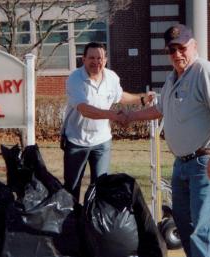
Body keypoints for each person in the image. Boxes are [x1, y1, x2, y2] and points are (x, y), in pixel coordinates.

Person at [122, 24, 210, 257]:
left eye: (182, 48)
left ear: (193, 46)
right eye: (172, 50)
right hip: (182, 163)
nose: (177, 54)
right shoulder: (173, 77)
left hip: (207, 162)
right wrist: (130, 117)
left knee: (204, 229)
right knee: (184, 225)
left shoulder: (204, 71)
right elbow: (160, 109)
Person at [62, 41, 154, 202]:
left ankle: (94, 223)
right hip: (77, 141)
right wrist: (114, 115)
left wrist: (141, 99)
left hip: (102, 141)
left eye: (100, 58)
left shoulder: (111, 77)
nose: (96, 62)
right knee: (72, 187)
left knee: (100, 187)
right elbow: (85, 109)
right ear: (83, 59)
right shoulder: (75, 79)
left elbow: (119, 96)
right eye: (91, 58)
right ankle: (72, 223)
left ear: (105, 60)